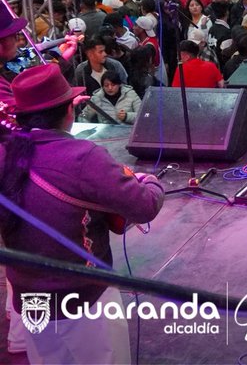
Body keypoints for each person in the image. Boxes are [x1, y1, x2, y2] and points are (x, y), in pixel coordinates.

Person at [1, 64, 164, 364]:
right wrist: (150, 182)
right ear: (68, 111)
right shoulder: (81, 157)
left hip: (30, 300)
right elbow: (144, 206)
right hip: (82, 299)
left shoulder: (6, 153)